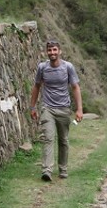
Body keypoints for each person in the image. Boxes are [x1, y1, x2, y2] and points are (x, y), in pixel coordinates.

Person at [29, 39, 83, 181]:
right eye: (49, 50)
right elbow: (37, 87)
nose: (52, 53)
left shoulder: (68, 67)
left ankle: (63, 169)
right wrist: (33, 107)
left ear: (59, 51)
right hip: (48, 108)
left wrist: (79, 109)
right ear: (46, 52)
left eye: (54, 50)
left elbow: (75, 87)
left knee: (63, 140)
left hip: (64, 108)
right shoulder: (42, 67)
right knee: (48, 138)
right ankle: (47, 170)